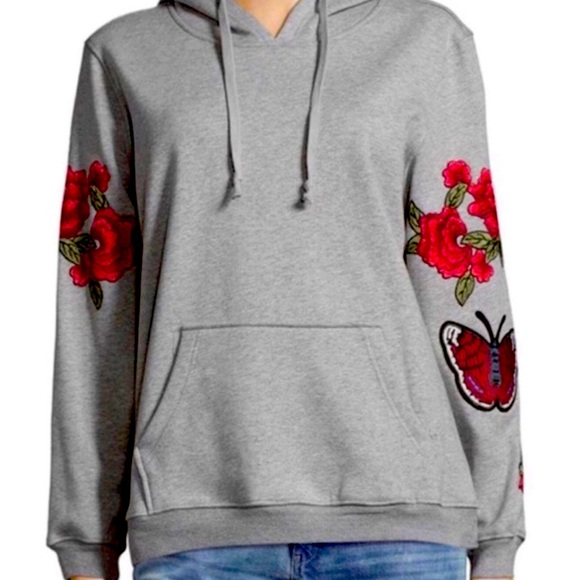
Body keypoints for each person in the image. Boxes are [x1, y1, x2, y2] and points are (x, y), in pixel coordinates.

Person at [46, 0, 526, 578]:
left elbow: (465, 284)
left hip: (404, 522)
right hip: (193, 521)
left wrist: (497, 534)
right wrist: (84, 539)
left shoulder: (427, 42)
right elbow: (97, 316)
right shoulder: (124, 55)